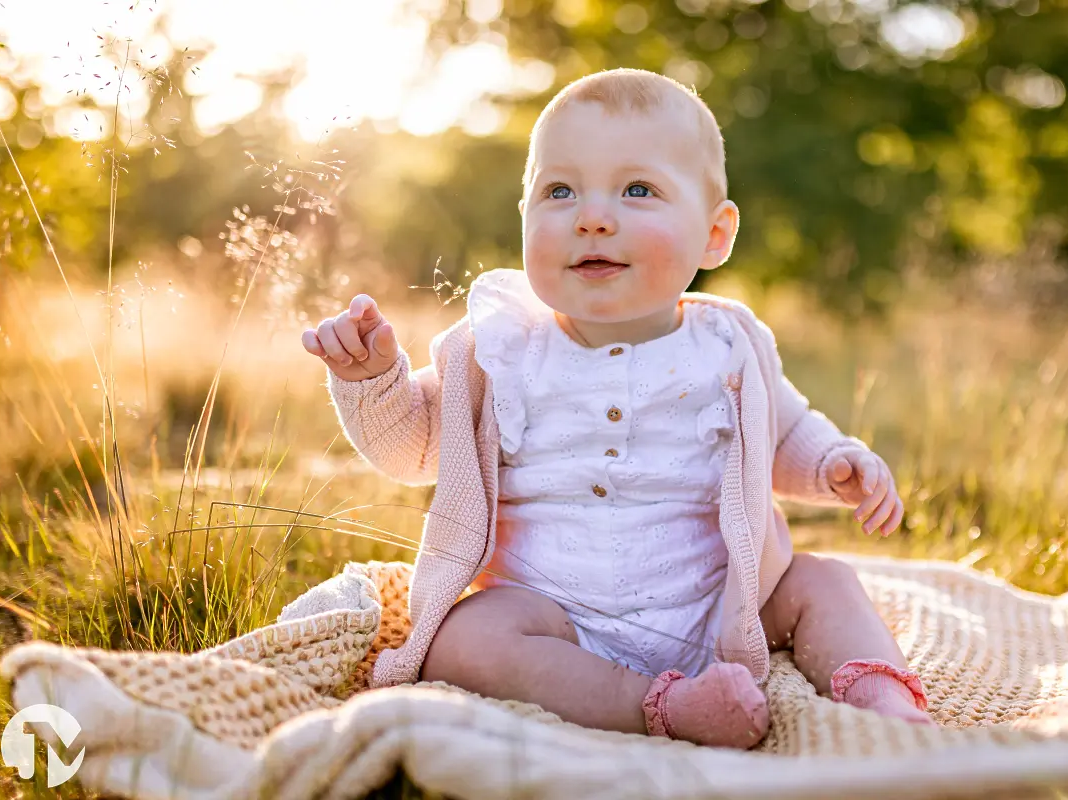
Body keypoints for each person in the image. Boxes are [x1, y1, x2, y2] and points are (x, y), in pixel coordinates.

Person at [302, 68, 931, 750]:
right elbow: (412, 447)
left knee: (823, 581)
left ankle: (883, 699)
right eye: (559, 190)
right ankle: (660, 707)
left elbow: (786, 430)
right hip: (553, 617)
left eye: (638, 190)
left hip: (718, 610)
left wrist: (834, 463)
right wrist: (371, 379)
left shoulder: (727, 345)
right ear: (525, 221)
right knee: (466, 640)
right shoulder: (500, 348)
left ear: (715, 235)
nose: (592, 216)